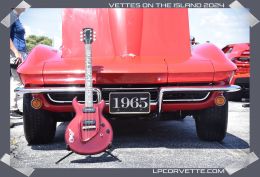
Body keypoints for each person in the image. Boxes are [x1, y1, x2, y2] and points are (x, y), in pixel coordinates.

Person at [10, 8, 27, 118]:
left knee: (19, 80)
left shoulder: (16, 17)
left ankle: (15, 108)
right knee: (17, 80)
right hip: (15, 53)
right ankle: (12, 108)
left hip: (21, 52)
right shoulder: (10, 14)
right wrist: (16, 52)